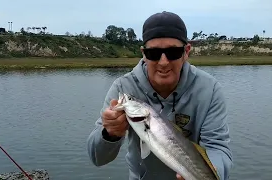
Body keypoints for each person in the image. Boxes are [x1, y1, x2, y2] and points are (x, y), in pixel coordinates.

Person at [86, 11, 233, 180]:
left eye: (173, 52)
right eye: (154, 54)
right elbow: (97, 158)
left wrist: (214, 172)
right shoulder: (124, 87)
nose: (163, 62)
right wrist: (109, 134)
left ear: (186, 51)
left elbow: (217, 148)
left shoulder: (210, 89)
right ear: (143, 53)